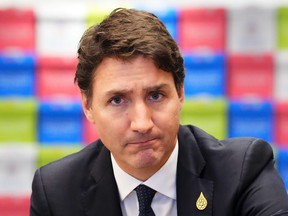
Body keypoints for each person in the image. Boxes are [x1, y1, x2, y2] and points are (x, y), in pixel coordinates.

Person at [30, 8, 288, 216]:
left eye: (155, 96)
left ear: (180, 93)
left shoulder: (243, 170)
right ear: (88, 106)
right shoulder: (55, 192)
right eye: (118, 100)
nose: (142, 123)